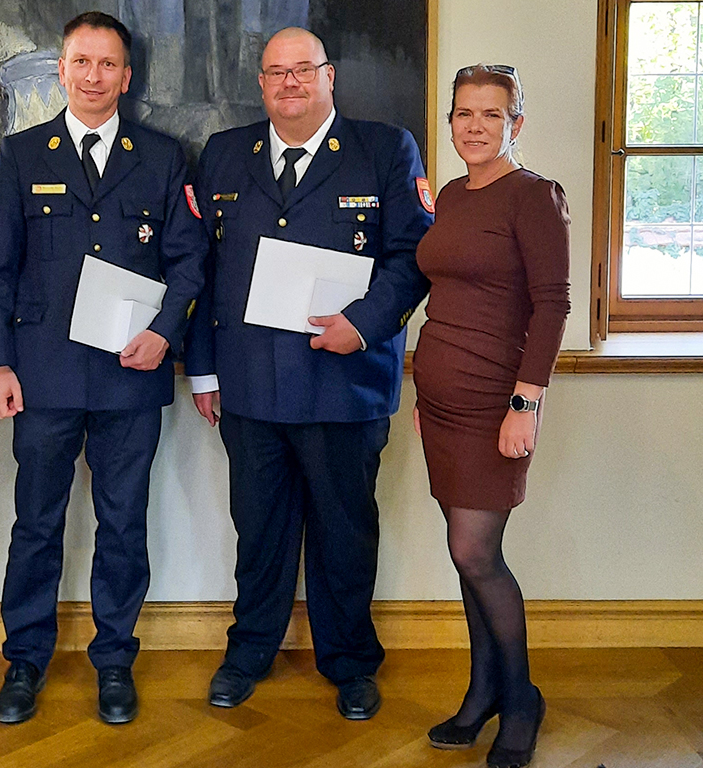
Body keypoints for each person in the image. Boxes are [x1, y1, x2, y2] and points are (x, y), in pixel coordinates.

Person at [184, 27, 431, 719]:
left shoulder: (385, 149)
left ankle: (350, 662)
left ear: (330, 77)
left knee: (343, 532)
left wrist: (367, 321)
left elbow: (413, 255)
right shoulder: (225, 154)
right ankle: (249, 652)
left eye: (304, 70)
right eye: (276, 73)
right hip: (250, 384)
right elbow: (200, 270)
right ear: (260, 84)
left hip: (343, 381)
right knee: (258, 529)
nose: (290, 83)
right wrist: (202, 371)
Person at [0, 11, 206, 726]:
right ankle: (24, 662)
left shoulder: (163, 158)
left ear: (126, 76)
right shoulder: (22, 154)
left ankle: (114, 662)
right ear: (63, 69)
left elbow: (190, 262)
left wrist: (166, 336)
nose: (95, 76)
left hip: (129, 375)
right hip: (41, 376)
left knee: (123, 523)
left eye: (108, 64)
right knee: (36, 524)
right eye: (82, 62)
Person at [412, 64, 570, 768]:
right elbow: (443, 296)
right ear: (450, 122)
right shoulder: (449, 194)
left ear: (516, 124)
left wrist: (524, 403)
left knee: (478, 554)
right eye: (463, 113)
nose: (474, 126)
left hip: (495, 404)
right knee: (462, 553)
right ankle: (482, 692)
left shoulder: (534, 197)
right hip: (440, 405)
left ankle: (521, 697)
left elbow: (553, 306)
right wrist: (422, 396)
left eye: (490, 114)